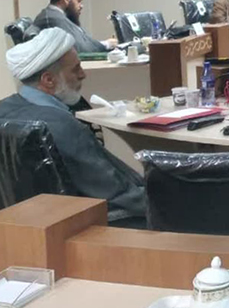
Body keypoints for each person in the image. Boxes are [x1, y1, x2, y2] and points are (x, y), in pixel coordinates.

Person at [0, 28, 145, 220]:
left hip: (22, 226)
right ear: (48, 80)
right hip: (90, 225)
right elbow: (117, 193)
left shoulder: (4, 109)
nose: (83, 74)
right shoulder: (62, 126)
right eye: (76, 69)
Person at [32, 0, 117, 53]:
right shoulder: (53, 18)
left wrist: (106, 43)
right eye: (78, 1)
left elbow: (85, 40)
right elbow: (80, 48)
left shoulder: (59, 16)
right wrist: (107, 44)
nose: (81, 6)